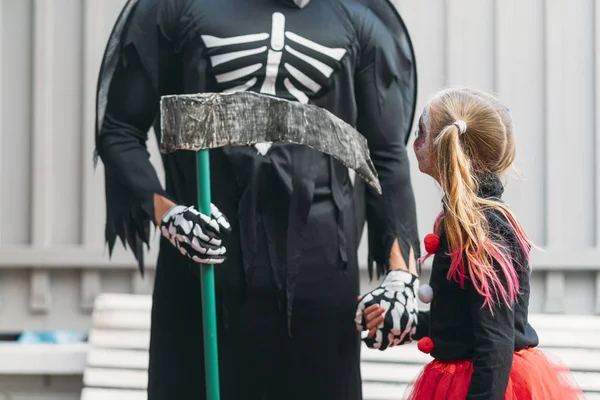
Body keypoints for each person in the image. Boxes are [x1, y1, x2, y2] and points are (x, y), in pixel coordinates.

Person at [94, 0, 421, 399]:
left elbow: (386, 156)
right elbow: (119, 131)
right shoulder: (176, 8)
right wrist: (171, 216)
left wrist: (401, 277)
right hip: (203, 278)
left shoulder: (357, 19)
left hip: (320, 287)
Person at [358, 88, 585, 399]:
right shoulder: (463, 221)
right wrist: (406, 323)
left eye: (421, 131)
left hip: (482, 387)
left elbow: (495, 344)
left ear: (445, 145)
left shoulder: (485, 229)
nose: (415, 141)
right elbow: (461, 322)